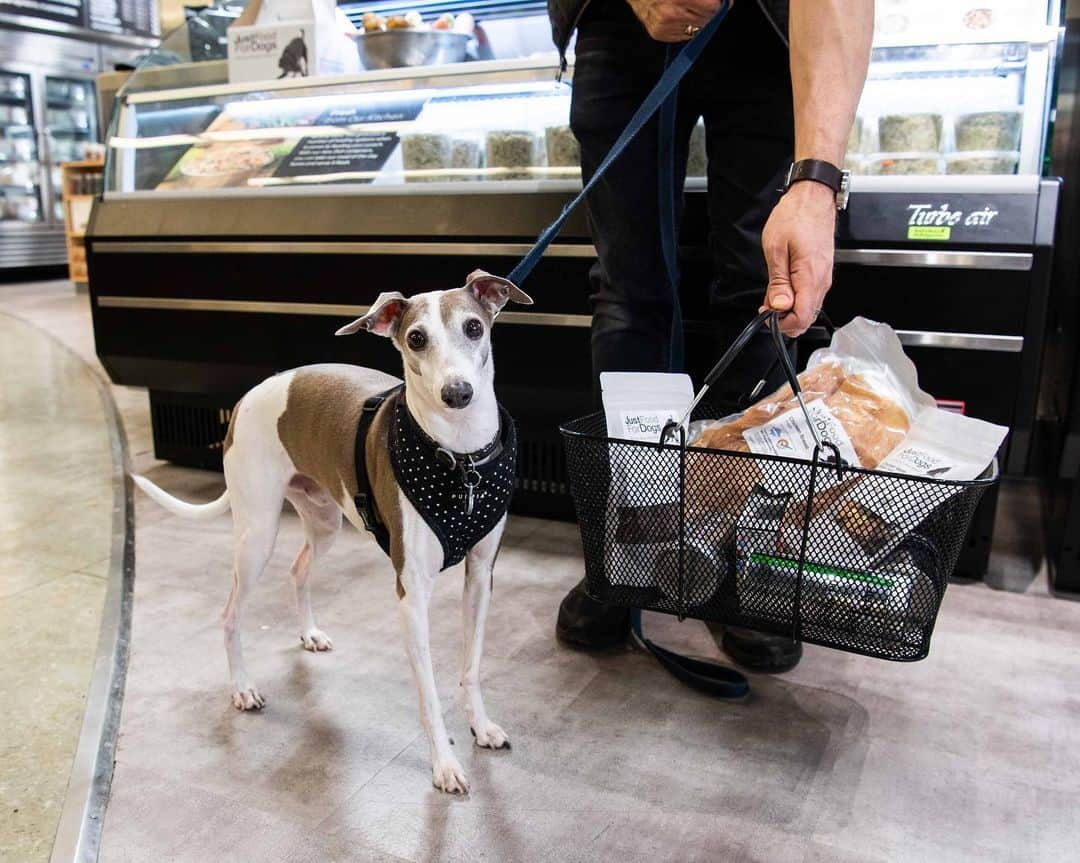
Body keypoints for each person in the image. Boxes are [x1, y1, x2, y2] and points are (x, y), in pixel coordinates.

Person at [547, 0, 874, 670]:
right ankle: (630, 545)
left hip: (768, 23)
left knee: (764, 296)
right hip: (615, 21)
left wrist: (816, 185)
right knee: (628, 291)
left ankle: (740, 555)